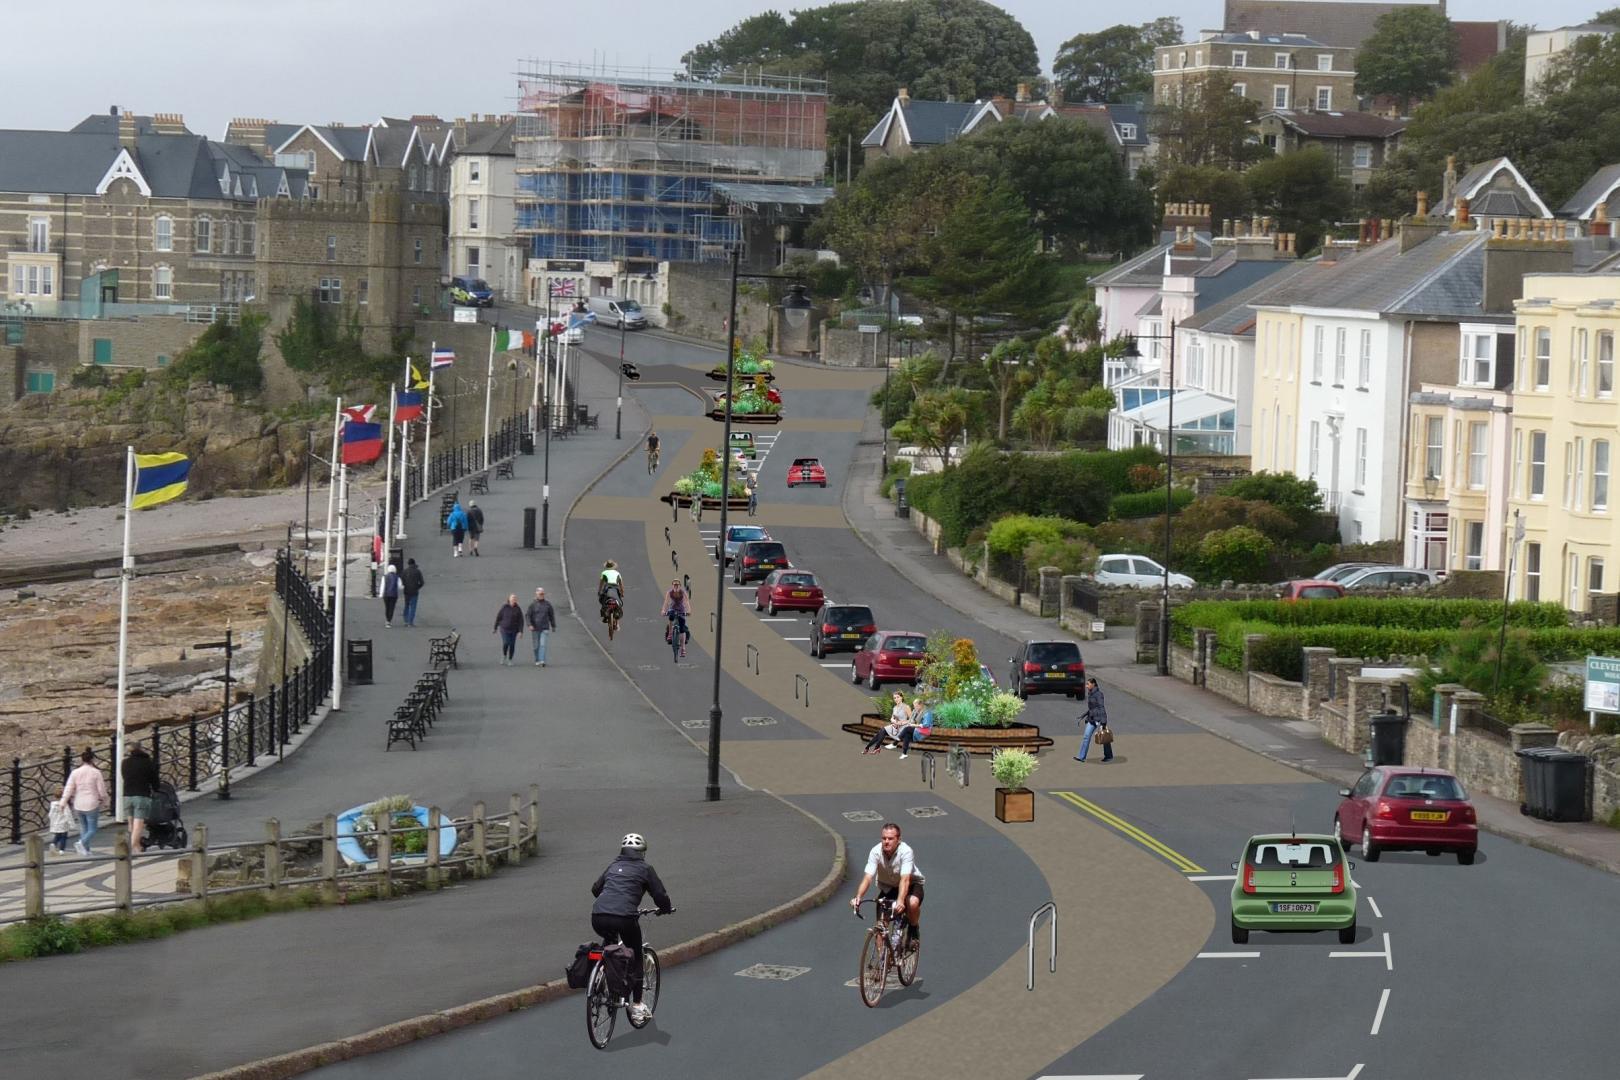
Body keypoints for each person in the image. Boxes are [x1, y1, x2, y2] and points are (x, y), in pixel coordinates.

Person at [591, 832, 674, 1023]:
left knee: (609, 947)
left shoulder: (613, 866)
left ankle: (601, 981)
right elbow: (660, 895)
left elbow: (596, 889)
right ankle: (636, 1005)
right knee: (636, 956)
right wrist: (665, 909)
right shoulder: (645, 869)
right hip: (625, 918)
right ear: (642, 853)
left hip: (598, 916)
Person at [850, 822, 924, 948]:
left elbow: (905, 879)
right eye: (884, 838)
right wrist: (858, 897)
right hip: (888, 888)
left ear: (898, 840)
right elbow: (868, 877)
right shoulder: (875, 851)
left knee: (911, 903)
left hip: (911, 884)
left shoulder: (906, 851)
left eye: (890, 839)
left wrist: (901, 900)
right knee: (880, 927)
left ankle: (913, 927)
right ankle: (882, 964)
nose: (886, 842)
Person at [60, 748, 108, 856]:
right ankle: (82, 843)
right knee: (92, 828)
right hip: (91, 802)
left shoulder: (75, 772)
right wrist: (105, 801)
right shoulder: (96, 772)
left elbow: (69, 788)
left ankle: (86, 849)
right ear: (92, 759)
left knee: (83, 827)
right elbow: (101, 790)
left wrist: (63, 801)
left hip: (78, 802)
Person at [121, 741, 160, 852]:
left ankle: (137, 846)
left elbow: (125, 777)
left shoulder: (125, 763)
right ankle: (129, 849)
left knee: (131, 823)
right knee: (138, 824)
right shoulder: (147, 762)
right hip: (142, 795)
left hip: (127, 795)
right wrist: (156, 789)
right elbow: (154, 779)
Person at [1076, 676, 1112, 763]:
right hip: (1091, 719)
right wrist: (1084, 715)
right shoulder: (1091, 693)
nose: (1086, 686)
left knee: (1104, 737)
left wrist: (1103, 722)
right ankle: (1081, 757)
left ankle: (1109, 756)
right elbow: (1092, 708)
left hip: (1099, 719)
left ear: (1093, 684)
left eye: (1088, 684)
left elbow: (1101, 707)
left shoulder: (1099, 694)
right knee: (1086, 737)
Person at [527, 586, 556, 666]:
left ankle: (542, 660)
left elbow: (551, 615)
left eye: (542, 594)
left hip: (544, 628)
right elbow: (528, 615)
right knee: (536, 646)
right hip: (535, 628)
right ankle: (537, 659)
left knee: (542, 645)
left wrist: (553, 626)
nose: (541, 595)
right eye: (540, 594)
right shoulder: (532, 605)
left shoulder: (548, 605)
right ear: (536, 594)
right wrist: (529, 624)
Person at [661, 578, 691, 658]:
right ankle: (670, 634)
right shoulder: (669, 592)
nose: (676, 586)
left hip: (681, 609)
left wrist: (688, 611)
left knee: (682, 629)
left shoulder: (683, 592)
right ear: (672, 585)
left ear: (680, 586)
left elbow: (686, 601)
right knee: (671, 616)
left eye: (677, 585)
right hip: (673, 608)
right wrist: (663, 610)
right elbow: (666, 602)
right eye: (674, 585)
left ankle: (683, 648)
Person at [493, 593, 524, 665]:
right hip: (504, 629)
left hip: (514, 630)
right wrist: (495, 628)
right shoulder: (504, 607)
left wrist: (520, 631)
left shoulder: (518, 609)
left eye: (515, 599)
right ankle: (504, 655)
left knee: (512, 644)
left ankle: (510, 659)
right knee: (506, 643)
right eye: (512, 599)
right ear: (509, 599)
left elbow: (521, 621)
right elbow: (498, 617)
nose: (514, 600)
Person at [401, 559, 426, 627]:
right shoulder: (417, 571)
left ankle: (405, 620)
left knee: (406, 605)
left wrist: (405, 586)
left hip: (406, 591)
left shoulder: (404, 571)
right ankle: (410, 622)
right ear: (414, 563)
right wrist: (417, 587)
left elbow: (402, 581)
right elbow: (422, 582)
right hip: (414, 591)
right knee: (413, 607)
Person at [381, 563, 400, 628]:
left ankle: (387, 620)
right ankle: (389, 621)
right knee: (392, 608)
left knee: (387, 607)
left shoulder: (385, 577)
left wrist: (381, 594)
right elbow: (400, 586)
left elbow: (382, 586)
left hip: (386, 594)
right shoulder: (397, 577)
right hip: (394, 595)